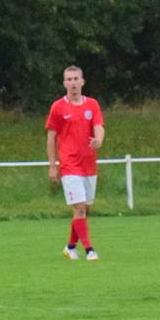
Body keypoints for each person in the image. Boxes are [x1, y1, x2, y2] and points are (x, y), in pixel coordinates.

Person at [46, 66, 105, 261]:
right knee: (79, 206)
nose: (72, 83)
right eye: (69, 79)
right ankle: (89, 250)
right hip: (69, 165)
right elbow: (51, 137)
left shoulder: (92, 105)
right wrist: (53, 165)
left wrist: (98, 140)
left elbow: (99, 127)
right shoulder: (58, 107)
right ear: (64, 83)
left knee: (84, 209)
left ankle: (70, 246)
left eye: (75, 79)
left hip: (88, 164)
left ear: (82, 81)